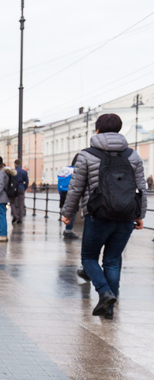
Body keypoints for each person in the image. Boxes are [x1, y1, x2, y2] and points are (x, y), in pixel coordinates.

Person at [61, 113, 147, 320]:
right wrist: (140, 214)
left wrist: (67, 214)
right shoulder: (132, 155)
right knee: (112, 260)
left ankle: (104, 293)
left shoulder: (86, 155)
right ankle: (108, 308)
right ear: (119, 129)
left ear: (97, 130)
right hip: (125, 216)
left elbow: (75, 188)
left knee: (89, 258)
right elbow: (141, 187)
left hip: (98, 215)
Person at [0, 156, 17, 242]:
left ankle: (3, 234)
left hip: (1, 198)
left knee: (1, 216)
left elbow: (0, 186)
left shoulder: (1, 173)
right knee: (1, 216)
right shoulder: (3, 171)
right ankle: (3, 234)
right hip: (2, 197)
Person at [57, 155, 80, 239]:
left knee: (68, 211)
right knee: (72, 212)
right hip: (71, 192)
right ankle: (68, 231)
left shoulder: (66, 169)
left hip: (63, 193)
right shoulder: (76, 170)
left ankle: (67, 230)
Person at [11, 159, 29, 224]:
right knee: (21, 204)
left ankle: (15, 215)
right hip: (21, 188)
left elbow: (11, 181)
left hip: (14, 188)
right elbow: (27, 182)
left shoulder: (13, 171)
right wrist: (24, 188)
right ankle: (20, 219)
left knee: (12, 202)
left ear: (15, 164)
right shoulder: (24, 172)